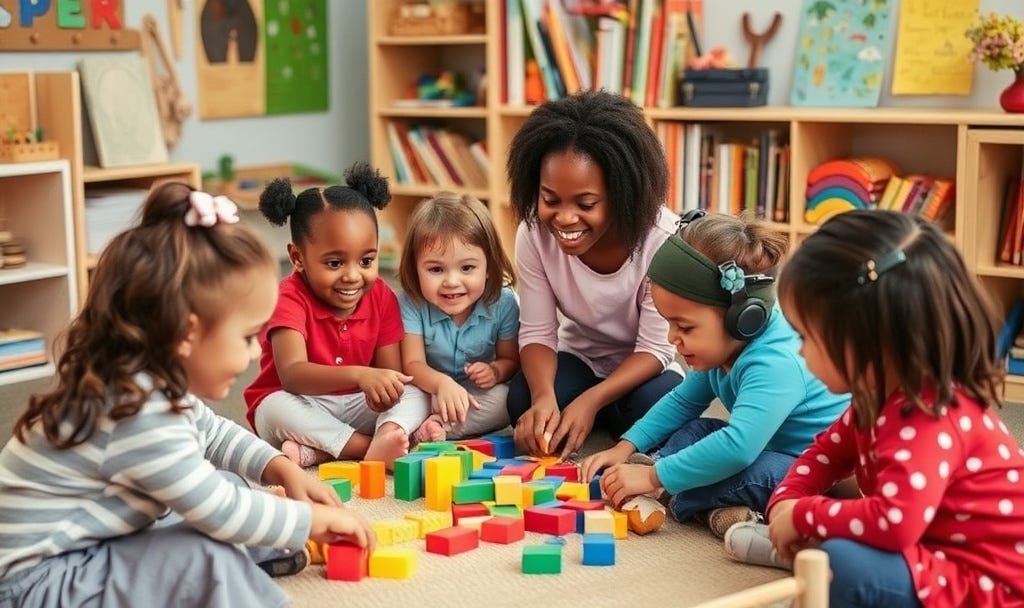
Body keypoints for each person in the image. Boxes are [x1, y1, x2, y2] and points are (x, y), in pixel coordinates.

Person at [0, 184, 375, 607]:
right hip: (39, 584)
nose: (256, 354)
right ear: (187, 333)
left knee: (229, 482)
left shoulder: (143, 380)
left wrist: (281, 468)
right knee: (203, 551)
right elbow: (215, 510)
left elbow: (213, 435)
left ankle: (253, 561)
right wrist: (307, 520)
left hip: (88, 546)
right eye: (248, 336)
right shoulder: (136, 413)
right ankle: (233, 577)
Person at [725, 210, 1024, 607]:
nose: (799, 350)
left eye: (806, 336)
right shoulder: (876, 393)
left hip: (986, 583)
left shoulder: (931, 416)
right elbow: (826, 454)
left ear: (865, 340)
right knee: (836, 535)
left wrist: (802, 516)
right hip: (926, 549)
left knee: (845, 565)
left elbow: (894, 524)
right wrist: (787, 501)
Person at [581, 210, 849, 538]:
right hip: (761, 444)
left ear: (742, 318)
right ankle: (694, 498)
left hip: (809, 467)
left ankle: (673, 496)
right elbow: (682, 402)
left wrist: (654, 479)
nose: (671, 338)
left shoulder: (775, 363)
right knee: (696, 431)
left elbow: (739, 448)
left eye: (685, 327)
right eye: (669, 323)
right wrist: (624, 446)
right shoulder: (723, 349)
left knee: (741, 470)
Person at [505, 89, 684, 459]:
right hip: (580, 357)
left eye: (586, 204)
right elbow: (538, 330)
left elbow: (654, 348)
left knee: (660, 408)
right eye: (550, 200)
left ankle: (598, 412)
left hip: (644, 368)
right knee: (522, 400)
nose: (565, 219)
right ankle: (593, 413)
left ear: (622, 194)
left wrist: (590, 401)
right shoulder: (534, 234)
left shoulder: (664, 240)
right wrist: (543, 398)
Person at [244, 164, 429, 469]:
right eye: (334, 263)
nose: (353, 276)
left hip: (358, 405)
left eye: (367, 260)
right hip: (302, 403)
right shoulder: (288, 297)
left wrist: (384, 394)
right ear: (297, 258)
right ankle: (368, 448)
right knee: (274, 407)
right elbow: (292, 375)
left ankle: (339, 447)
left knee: (414, 392)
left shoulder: (381, 295)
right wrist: (360, 374)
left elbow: (390, 373)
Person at [397, 192, 520, 442]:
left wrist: (495, 371)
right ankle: (427, 425)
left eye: (467, 268)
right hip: (427, 390)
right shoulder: (410, 301)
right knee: (401, 395)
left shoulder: (504, 302)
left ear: (489, 267)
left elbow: (511, 360)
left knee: (509, 400)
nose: (452, 282)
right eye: (436, 269)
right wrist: (441, 385)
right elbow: (412, 364)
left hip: (475, 394)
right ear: (415, 268)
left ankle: (433, 428)